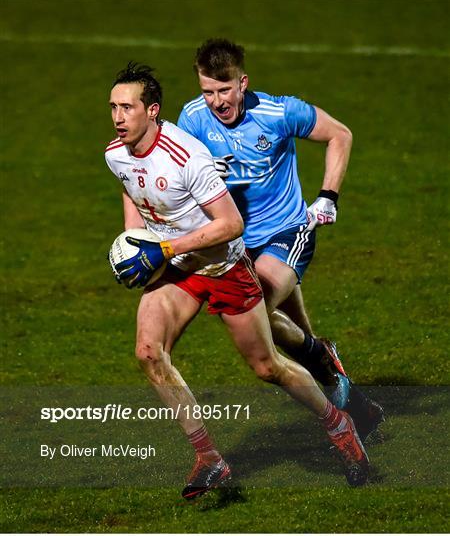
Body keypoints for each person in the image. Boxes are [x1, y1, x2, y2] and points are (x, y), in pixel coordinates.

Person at [105, 62, 370, 498]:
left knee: (269, 367)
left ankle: (338, 424)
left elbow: (231, 226)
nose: (118, 117)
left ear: (152, 111)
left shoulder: (187, 157)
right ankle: (209, 458)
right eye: (113, 107)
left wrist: (164, 248)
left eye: (127, 107)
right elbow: (129, 185)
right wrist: (135, 239)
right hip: (179, 270)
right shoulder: (116, 151)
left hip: (224, 267)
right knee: (149, 353)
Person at [177, 39, 384, 442]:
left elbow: (340, 134)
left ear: (242, 83)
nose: (217, 102)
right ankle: (358, 407)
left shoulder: (278, 112)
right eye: (208, 92)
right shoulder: (192, 118)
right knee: (296, 341)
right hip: (236, 244)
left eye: (224, 90)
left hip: (287, 233)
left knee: (247, 310)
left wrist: (328, 196)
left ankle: (328, 378)